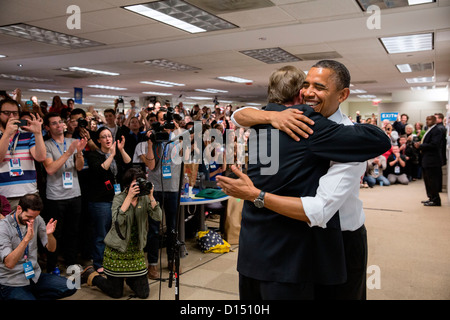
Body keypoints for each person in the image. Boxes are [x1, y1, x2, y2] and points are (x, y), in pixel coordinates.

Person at [218, 63, 390, 300]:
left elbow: (319, 210)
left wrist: (255, 195)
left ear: (342, 95)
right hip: (299, 239)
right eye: (306, 85)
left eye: (319, 87)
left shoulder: (345, 135)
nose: (308, 92)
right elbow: (238, 115)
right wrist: (272, 115)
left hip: (340, 238)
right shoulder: (285, 121)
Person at [81, 168, 161, 299]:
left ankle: (130, 279)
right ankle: (91, 275)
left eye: (141, 182)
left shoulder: (144, 199)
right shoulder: (119, 198)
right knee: (116, 293)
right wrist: (129, 197)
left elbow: (158, 217)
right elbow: (117, 221)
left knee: (144, 294)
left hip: (135, 253)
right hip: (117, 251)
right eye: (135, 183)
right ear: (128, 184)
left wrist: (151, 196)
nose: (138, 186)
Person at [0, 193, 77, 300]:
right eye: (29, 217)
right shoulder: (3, 227)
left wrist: (49, 235)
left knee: (71, 286)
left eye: (34, 217)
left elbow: (51, 248)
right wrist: (26, 239)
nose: (32, 221)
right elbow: (9, 263)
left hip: (34, 276)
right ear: (19, 208)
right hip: (12, 281)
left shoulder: (37, 219)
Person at [42, 113, 88, 273]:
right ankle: (52, 265)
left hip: (74, 194)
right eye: (54, 123)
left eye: (60, 122)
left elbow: (80, 167)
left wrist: (79, 152)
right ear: (47, 127)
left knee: (73, 232)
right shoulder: (46, 145)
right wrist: (68, 152)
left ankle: (71, 263)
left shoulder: (72, 142)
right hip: (55, 197)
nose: (59, 125)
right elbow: (50, 168)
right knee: (56, 233)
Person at [145, 109, 184, 279]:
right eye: (161, 120)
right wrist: (150, 143)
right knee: (153, 229)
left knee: (172, 228)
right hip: (156, 189)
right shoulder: (153, 139)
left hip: (173, 188)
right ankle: (152, 264)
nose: (164, 124)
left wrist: (177, 130)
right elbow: (151, 166)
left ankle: (172, 260)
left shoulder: (178, 140)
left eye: (166, 121)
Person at [86, 127, 131, 273]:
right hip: (100, 200)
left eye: (109, 136)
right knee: (101, 233)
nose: (107, 139)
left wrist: (121, 150)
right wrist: (111, 155)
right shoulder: (94, 155)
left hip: (116, 198)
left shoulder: (116, 154)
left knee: (116, 231)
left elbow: (128, 162)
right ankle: (99, 263)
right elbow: (100, 170)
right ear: (98, 140)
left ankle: (113, 259)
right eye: (104, 137)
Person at [0, 99, 46, 211]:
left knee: (31, 228)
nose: (11, 116)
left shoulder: (27, 134)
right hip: (4, 196)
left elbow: (40, 157)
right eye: (6, 113)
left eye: (15, 113)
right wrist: (6, 134)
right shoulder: (3, 136)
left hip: (29, 194)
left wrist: (38, 133)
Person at [415, 115, 444, 206]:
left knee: (433, 181)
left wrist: (420, 146)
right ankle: (431, 197)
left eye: (430, 120)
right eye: (427, 119)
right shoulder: (430, 129)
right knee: (427, 180)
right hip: (426, 159)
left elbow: (434, 144)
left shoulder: (437, 130)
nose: (428, 121)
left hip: (432, 160)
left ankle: (436, 200)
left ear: (435, 121)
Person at [434, 113, 447, 192]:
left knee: (437, 172)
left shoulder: (440, 128)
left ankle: (437, 188)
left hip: (438, 153)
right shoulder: (440, 127)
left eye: (435, 118)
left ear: (440, 119)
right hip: (440, 153)